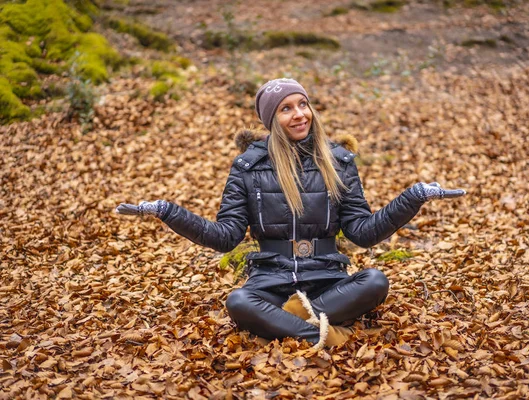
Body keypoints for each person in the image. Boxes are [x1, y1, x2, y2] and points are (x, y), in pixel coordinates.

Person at [116, 78, 466, 349]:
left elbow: (362, 231)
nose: (300, 114)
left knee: (375, 281)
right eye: (286, 108)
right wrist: (167, 211)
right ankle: (321, 334)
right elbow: (225, 238)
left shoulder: (338, 161)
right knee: (239, 301)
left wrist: (413, 197)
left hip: (327, 277)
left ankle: (289, 324)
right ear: (272, 118)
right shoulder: (248, 168)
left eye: (303, 104)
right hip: (272, 279)